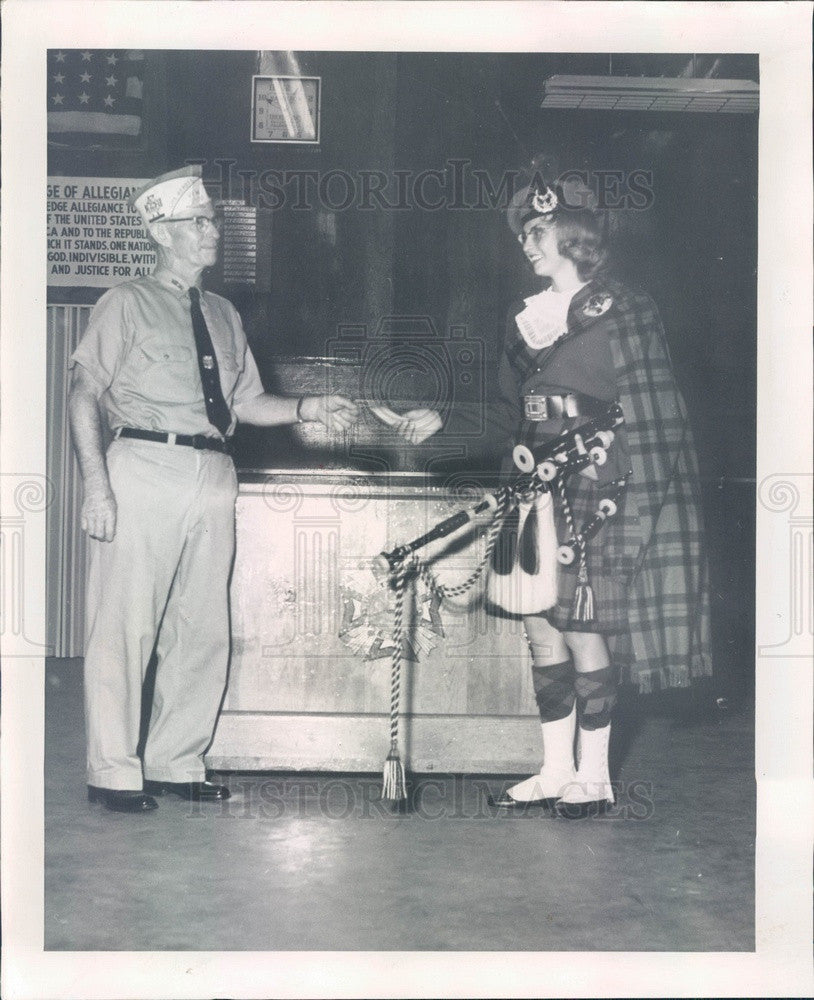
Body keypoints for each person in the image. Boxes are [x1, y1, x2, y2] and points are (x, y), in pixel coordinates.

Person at [69, 165, 363, 813]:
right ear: (162, 233)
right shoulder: (124, 303)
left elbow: (248, 401)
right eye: (198, 223)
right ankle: (113, 771)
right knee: (125, 625)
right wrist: (95, 484)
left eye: (210, 221)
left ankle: (176, 761)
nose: (212, 232)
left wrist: (308, 409)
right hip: (143, 466)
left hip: (213, 473)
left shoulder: (225, 315)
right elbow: (84, 393)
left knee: (201, 627)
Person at [419, 175, 712, 816]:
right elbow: (507, 417)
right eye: (524, 233)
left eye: (539, 232)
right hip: (531, 490)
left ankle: (596, 776)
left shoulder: (628, 311)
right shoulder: (525, 321)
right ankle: (555, 770)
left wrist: (620, 491)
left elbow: (656, 419)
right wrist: (444, 423)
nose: (528, 244)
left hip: (595, 492)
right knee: (538, 630)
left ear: (575, 235)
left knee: (583, 630)